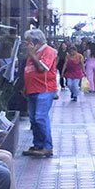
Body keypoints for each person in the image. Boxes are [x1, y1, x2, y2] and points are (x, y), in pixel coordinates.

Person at [23, 29, 58, 157]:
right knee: (33, 119)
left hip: (45, 89)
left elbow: (41, 68)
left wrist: (32, 54)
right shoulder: (32, 53)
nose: (26, 45)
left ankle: (47, 146)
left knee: (40, 117)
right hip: (32, 89)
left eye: (28, 42)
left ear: (35, 42)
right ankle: (38, 144)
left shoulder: (48, 51)